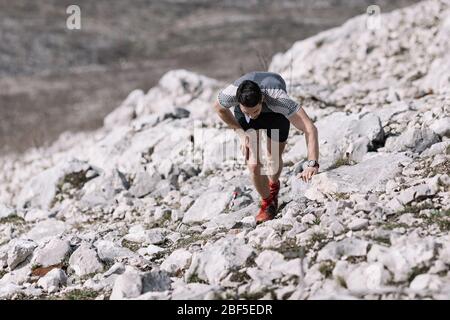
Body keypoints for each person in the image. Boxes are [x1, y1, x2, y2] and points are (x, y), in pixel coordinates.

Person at [213, 71, 320, 223]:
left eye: (255, 111)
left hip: (274, 116)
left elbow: (309, 128)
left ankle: (273, 185)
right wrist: (241, 134)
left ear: (262, 99)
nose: (252, 115)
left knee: (273, 159)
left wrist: (312, 163)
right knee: (254, 164)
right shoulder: (229, 95)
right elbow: (219, 108)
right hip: (248, 120)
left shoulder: (279, 100)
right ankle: (267, 202)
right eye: (247, 112)